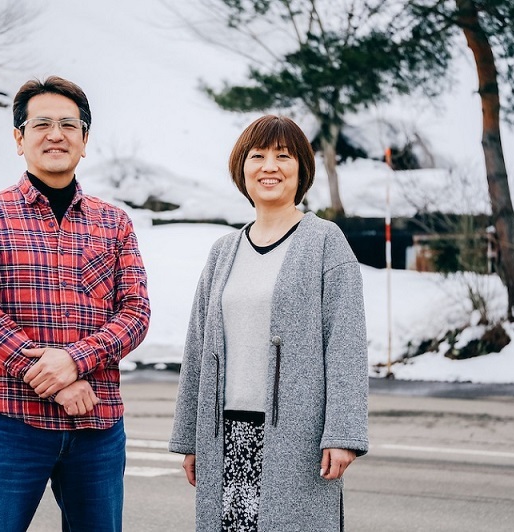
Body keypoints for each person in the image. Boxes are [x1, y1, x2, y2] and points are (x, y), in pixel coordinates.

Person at [0, 75, 150, 532]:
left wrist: (75, 362)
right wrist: (58, 382)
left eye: (68, 124)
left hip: (96, 425)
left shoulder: (114, 222)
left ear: (85, 141)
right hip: (8, 422)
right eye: (41, 124)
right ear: (19, 139)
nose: (56, 134)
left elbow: (136, 313)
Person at [169, 115, 368, 531]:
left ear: (302, 170)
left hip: (299, 437)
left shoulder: (325, 242)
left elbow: (345, 343)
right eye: (257, 156)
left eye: (283, 156)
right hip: (226, 433)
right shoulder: (223, 252)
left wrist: (343, 433)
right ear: (242, 169)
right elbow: (198, 348)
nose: (269, 166)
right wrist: (190, 437)